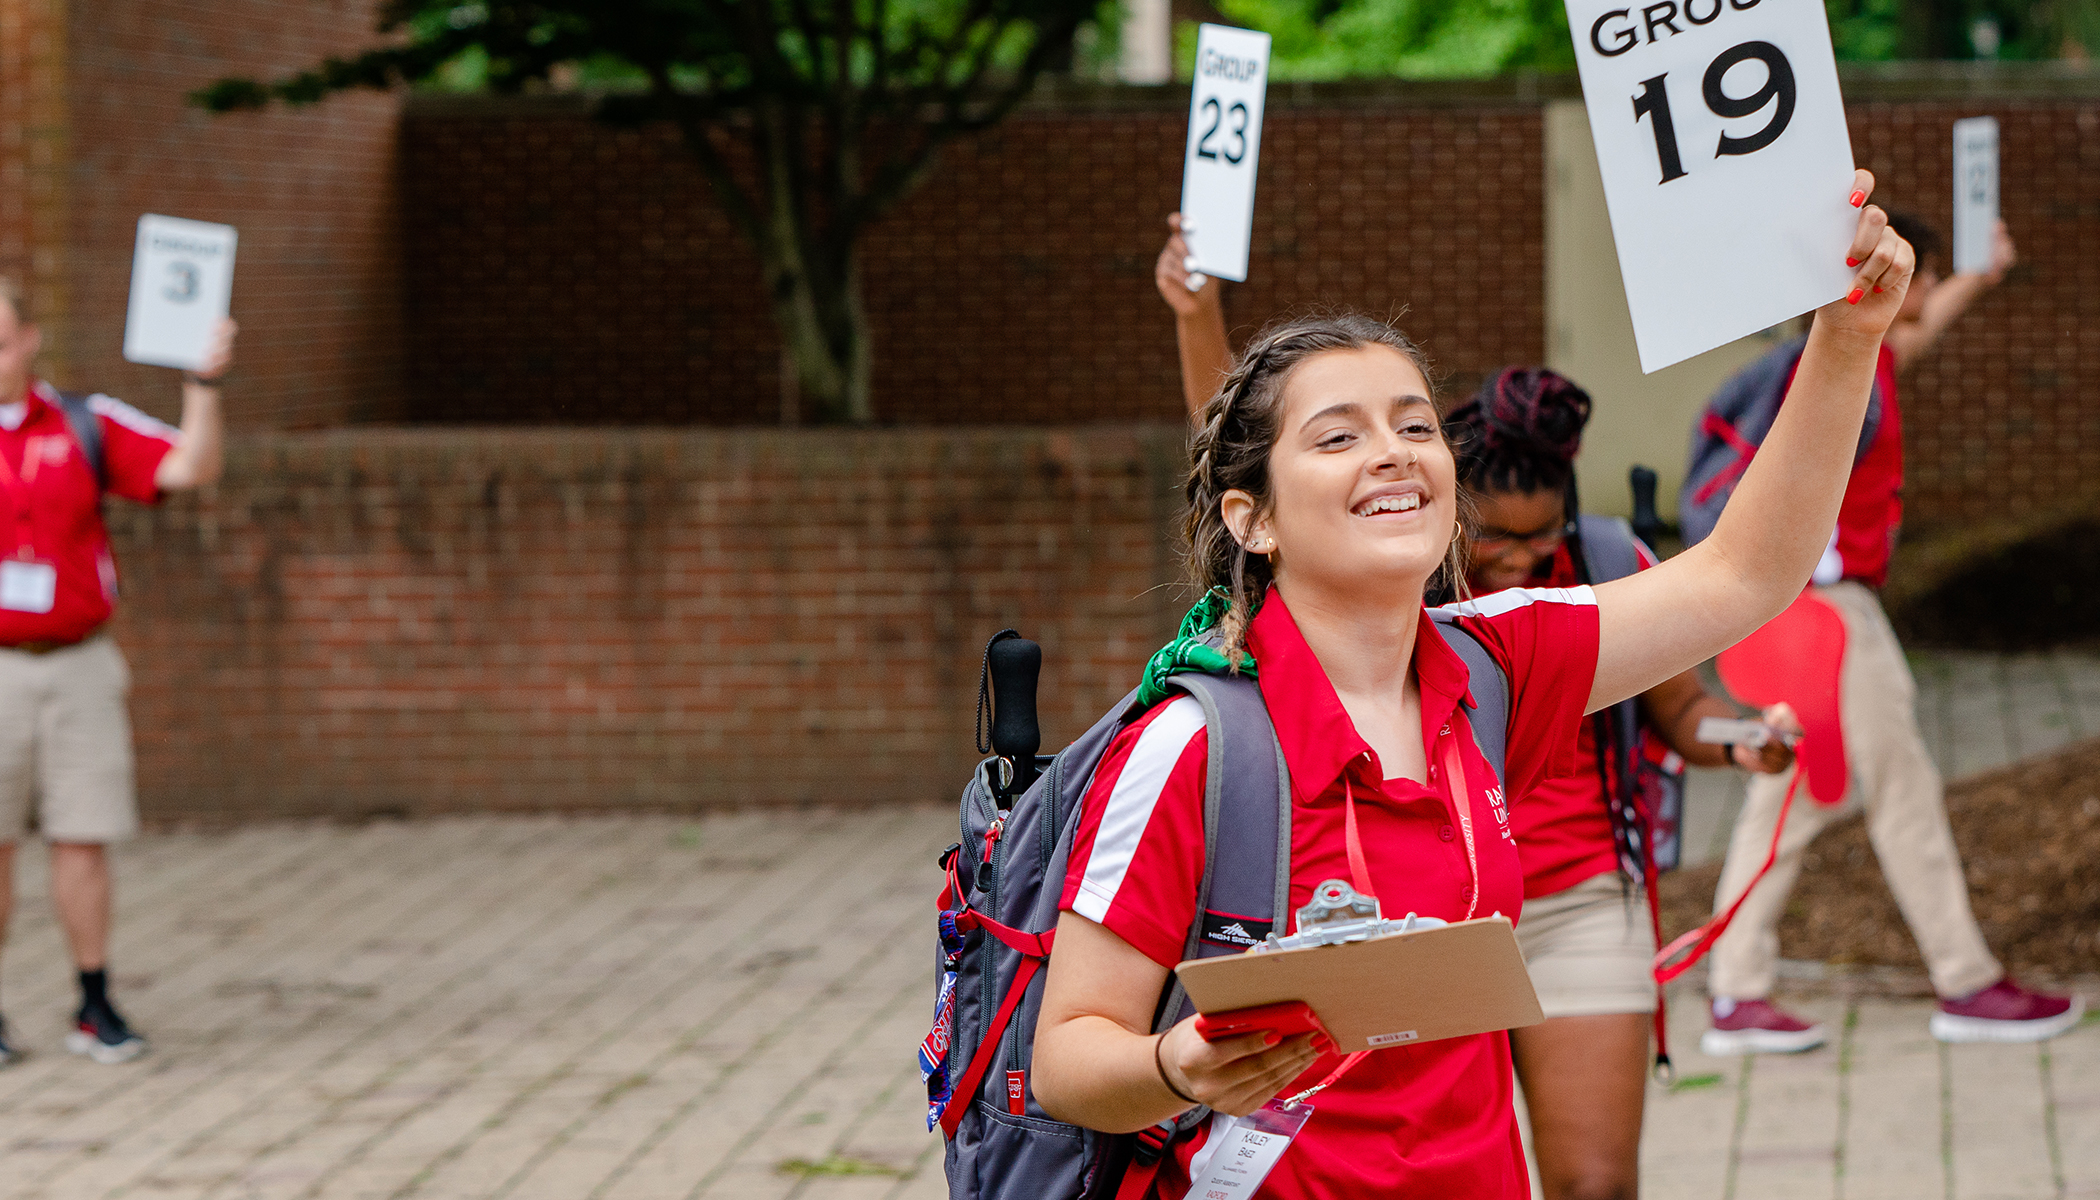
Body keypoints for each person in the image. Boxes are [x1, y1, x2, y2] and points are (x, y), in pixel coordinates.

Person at [1030, 177, 1910, 1196]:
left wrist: (1846, 340)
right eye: (1338, 436)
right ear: (1252, 519)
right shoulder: (1193, 747)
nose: (1395, 453)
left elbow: (1745, 573)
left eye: (1413, 425)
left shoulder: (1498, 665)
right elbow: (1067, 1061)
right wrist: (1170, 1068)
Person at [1686, 214, 2082, 1053]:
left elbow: (1917, 328)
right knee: (1892, 786)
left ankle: (1737, 989)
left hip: (1818, 608)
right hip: (1824, 612)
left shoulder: (1859, 359)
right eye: (1922, 275)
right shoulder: (1831, 376)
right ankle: (1965, 982)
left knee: (1796, 789)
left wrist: (1980, 275)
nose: (1927, 291)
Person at [1446, 366, 1798, 1200]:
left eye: (1544, 536)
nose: (1524, 561)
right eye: (1496, 537)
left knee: (1596, 1184)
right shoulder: (1400, 578)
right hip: (1436, 917)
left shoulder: (1607, 563)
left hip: (1583, 901)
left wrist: (1742, 737)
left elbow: (1683, 708)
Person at [0, 278, 235, 1066]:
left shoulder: (84, 421)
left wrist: (203, 385)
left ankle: (93, 1002)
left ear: (29, 339)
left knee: (84, 836)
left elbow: (189, 468)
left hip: (77, 664)